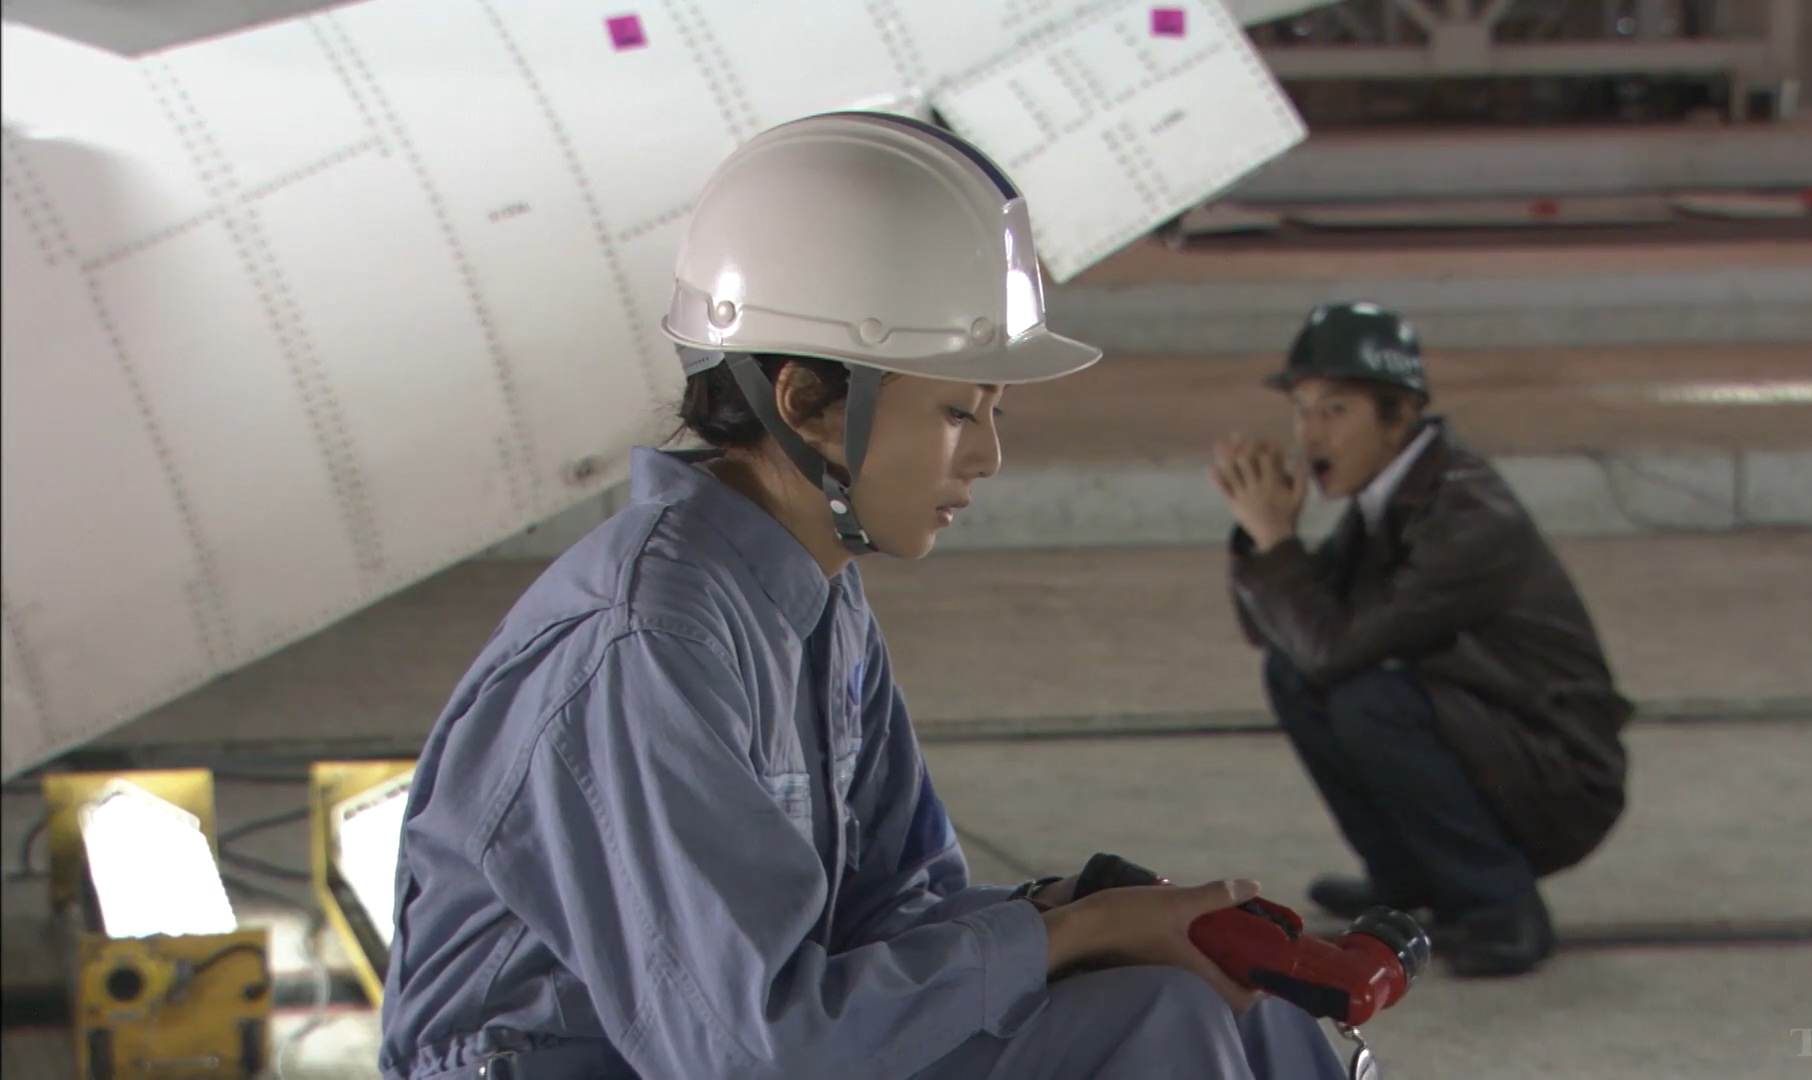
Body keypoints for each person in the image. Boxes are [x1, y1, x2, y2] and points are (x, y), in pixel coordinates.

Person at [376, 111, 1347, 1079]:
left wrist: (1083, 919)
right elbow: (749, 1052)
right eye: (958, 411)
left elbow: (897, 913)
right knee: (1154, 1026)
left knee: (1236, 1007)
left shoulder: (813, 604)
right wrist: (1079, 933)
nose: (989, 456)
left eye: (994, 411)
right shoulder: (649, 642)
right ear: (805, 402)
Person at [1210, 302, 1633, 978]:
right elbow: (1284, 634)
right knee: (1296, 675)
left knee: (1367, 699)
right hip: (1492, 735)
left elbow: (1336, 649)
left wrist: (1279, 544)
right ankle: (1408, 877)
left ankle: (1501, 906)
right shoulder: (1391, 494)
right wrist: (1263, 538)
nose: (1310, 434)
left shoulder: (1465, 514)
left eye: (1336, 410)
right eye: (1302, 410)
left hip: (1559, 773)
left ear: (1400, 415)